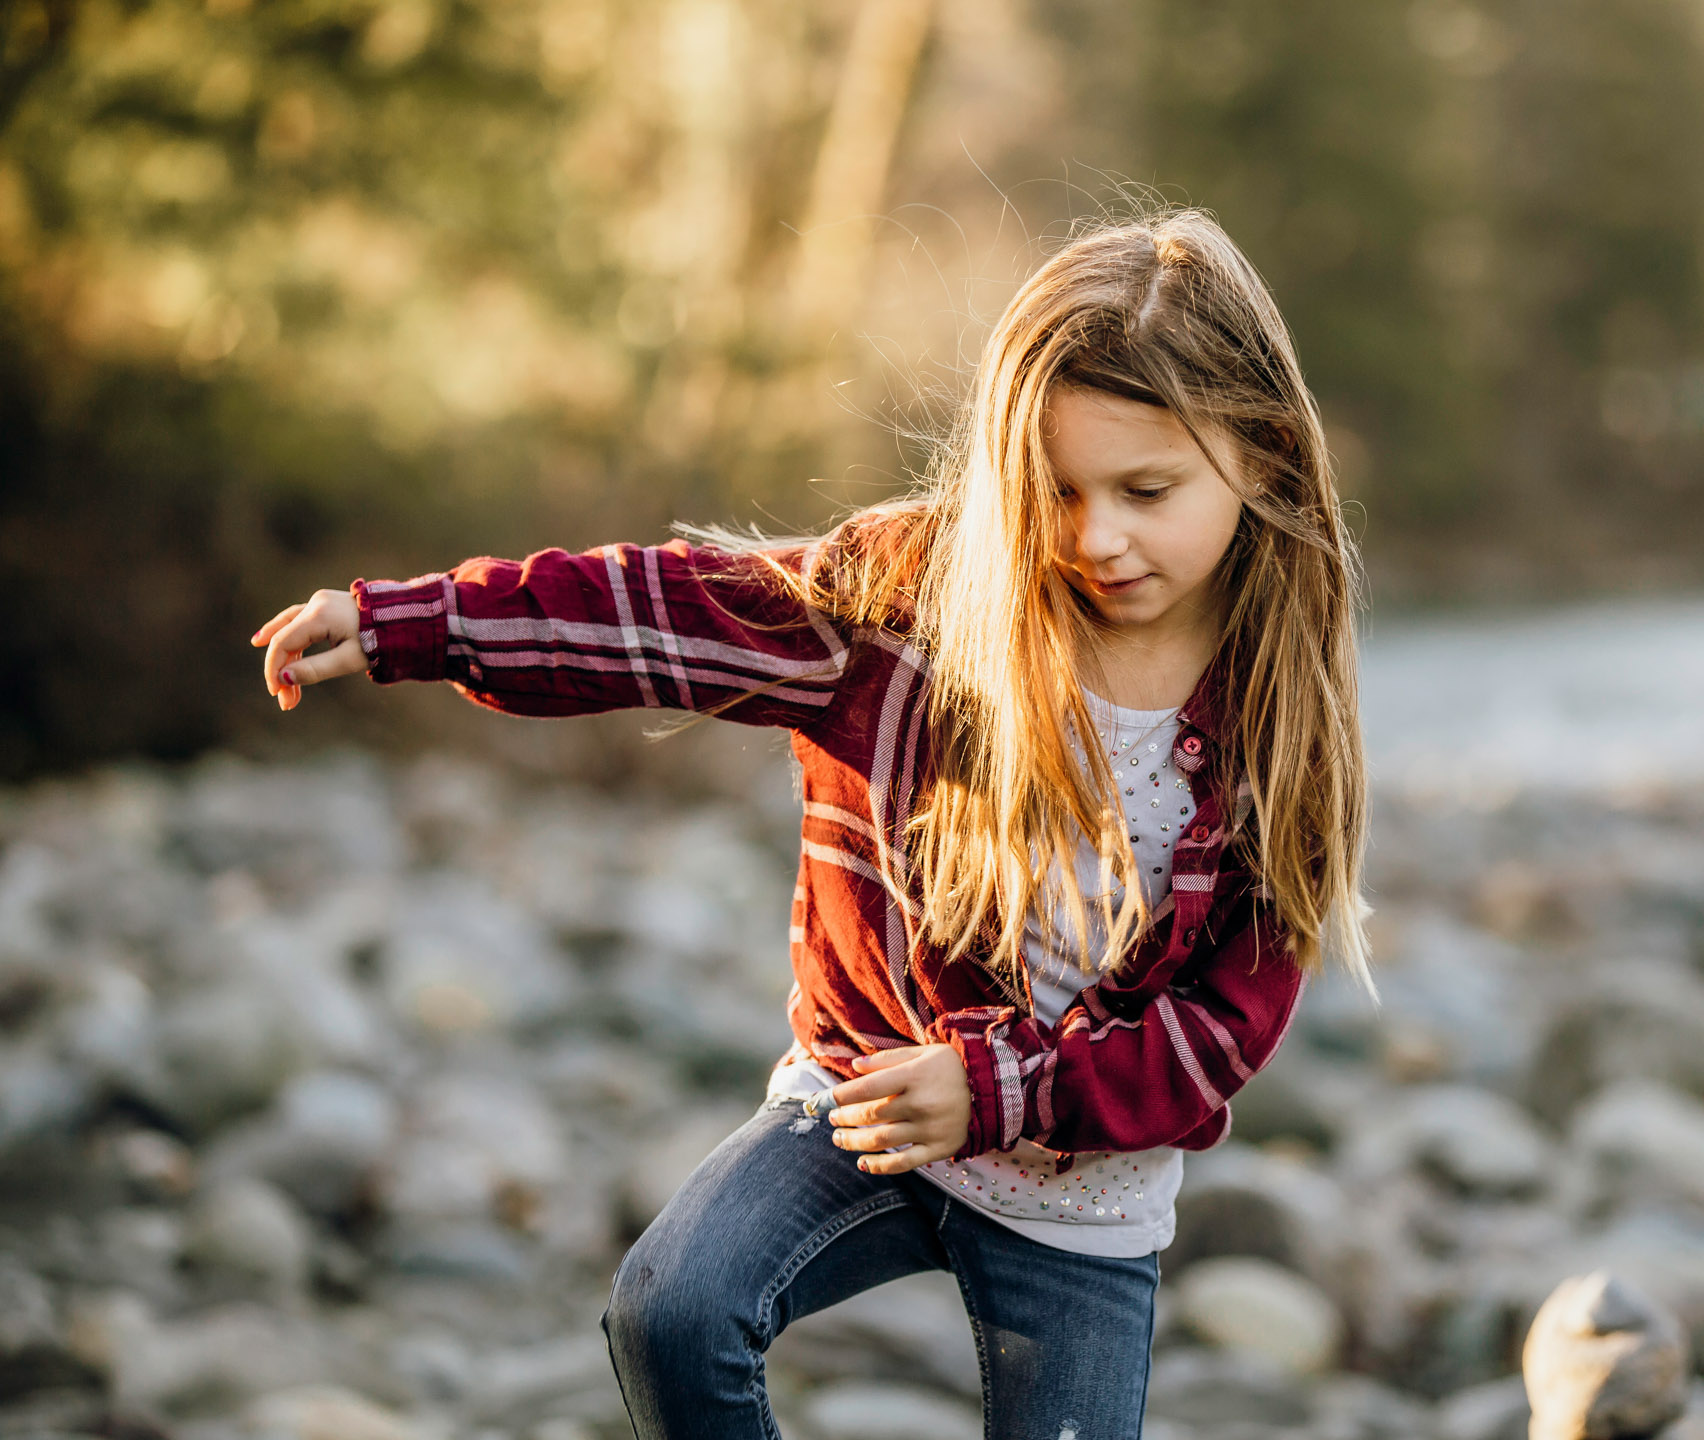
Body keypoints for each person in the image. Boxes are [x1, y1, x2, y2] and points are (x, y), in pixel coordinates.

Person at [251, 209, 1372, 1440]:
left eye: (1146, 491)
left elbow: (1215, 1039)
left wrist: (996, 1090)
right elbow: (665, 616)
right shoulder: (913, 604)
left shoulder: (1281, 718)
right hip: (865, 1100)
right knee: (672, 1313)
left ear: (1261, 457)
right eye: (1054, 491)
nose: (1095, 538)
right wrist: (417, 622)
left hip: (1080, 1198)